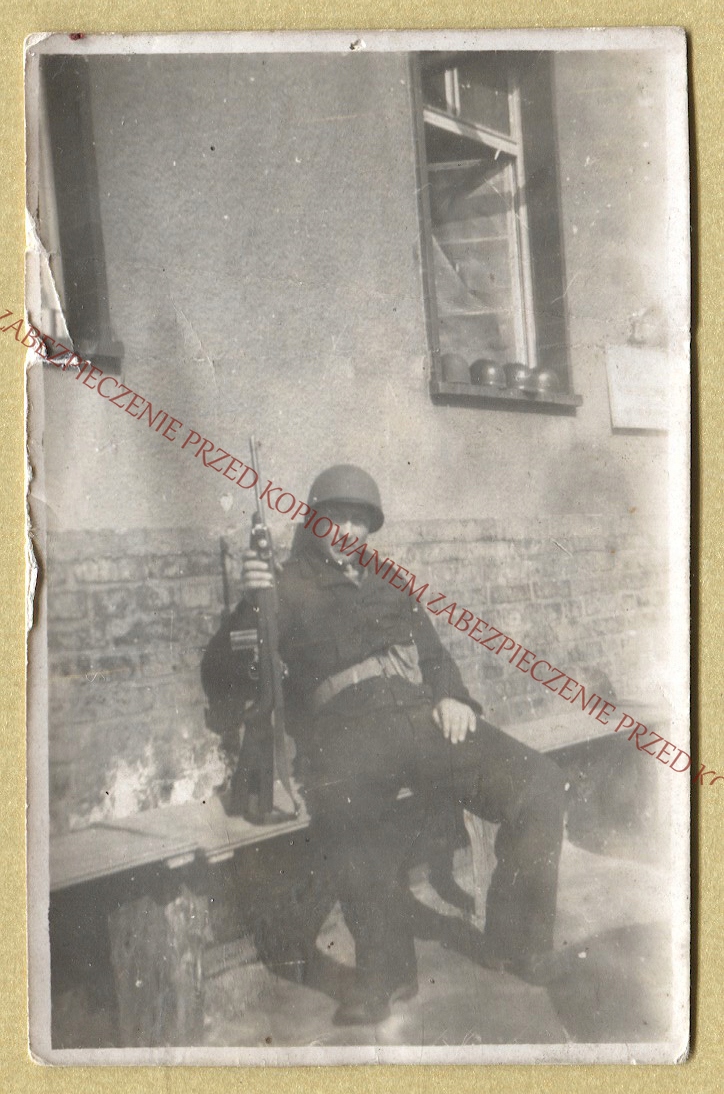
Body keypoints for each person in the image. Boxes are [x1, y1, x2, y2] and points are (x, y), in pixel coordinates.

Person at [201, 465, 566, 1025]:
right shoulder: (284, 585)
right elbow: (223, 676)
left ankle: (517, 940)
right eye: (337, 518)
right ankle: (389, 971)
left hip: (424, 719)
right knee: (349, 821)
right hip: (345, 732)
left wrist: (453, 698)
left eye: (360, 520)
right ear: (314, 521)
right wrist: (251, 604)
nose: (349, 531)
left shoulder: (389, 580)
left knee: (538, 782)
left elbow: (434, 655)